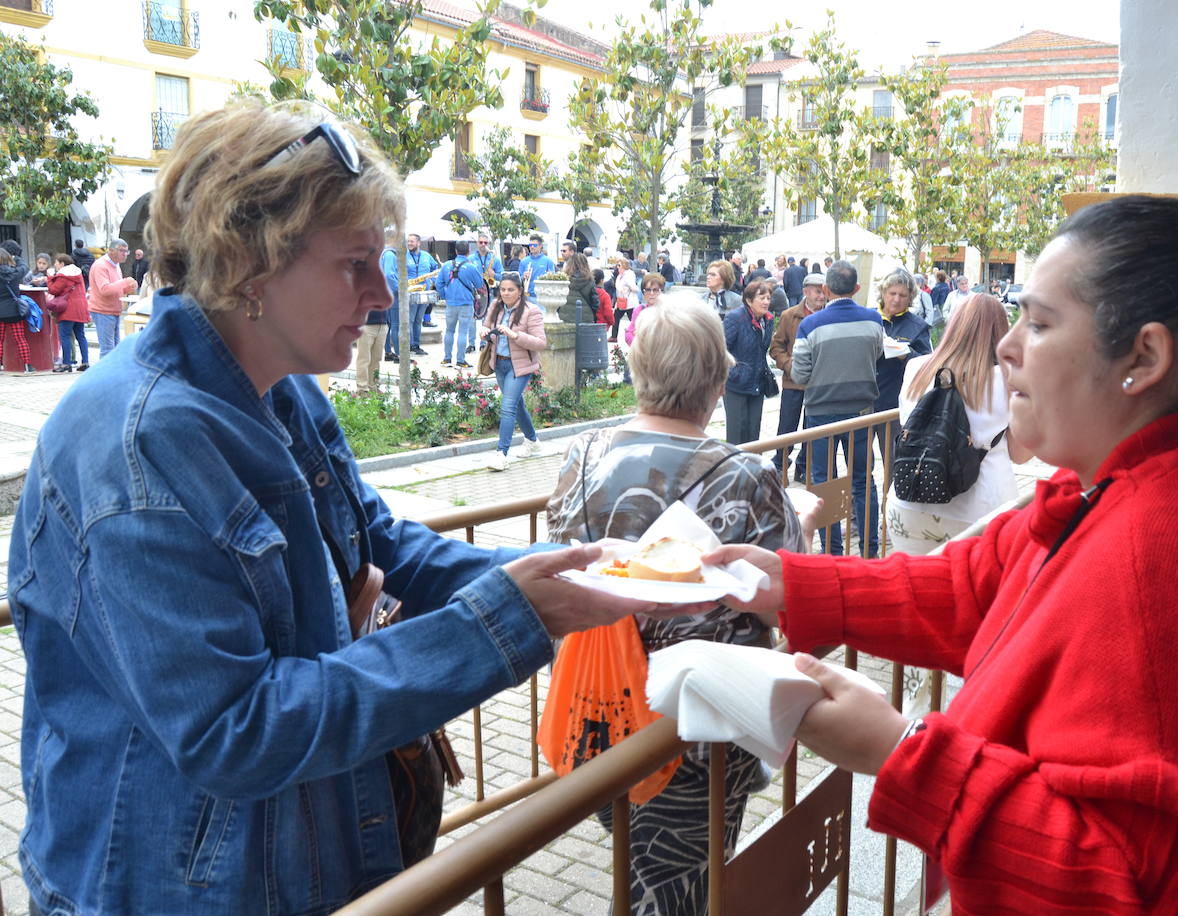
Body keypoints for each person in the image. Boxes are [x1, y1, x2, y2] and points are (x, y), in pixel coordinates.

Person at [8, 100, 701, 916]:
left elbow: (380, 540)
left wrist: (576, 578)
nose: (384, 292)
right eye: (355, 263)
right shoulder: (138, 448)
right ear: (248, 261)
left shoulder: (285, 385)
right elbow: (236, 729)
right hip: (181, 889)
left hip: (300, 856)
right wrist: (506, 620)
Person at [705, 194, 1178, 913]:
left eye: (1041, 322)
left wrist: (901, 753)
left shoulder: (1168, 562)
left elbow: (1127, 885)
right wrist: (785, 582)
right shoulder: (1132, 483)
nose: (1007, 345)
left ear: (1143, 357)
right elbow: (977, 586)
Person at [545, 298, 806, 916]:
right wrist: (804, 519)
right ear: (718, 381)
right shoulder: (744, 474)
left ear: (637, 370)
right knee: (685, 877)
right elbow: (784, 602)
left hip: (602, 703)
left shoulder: (582, 456)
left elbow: (565, 556)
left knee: (644, 861)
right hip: (696, 723)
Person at [886, 292, 1024, 555]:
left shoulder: (916, 367)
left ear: (954, 325)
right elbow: (1019, 455)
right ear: (1001, 331)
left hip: (907, 503)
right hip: (980, 514)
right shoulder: (1007, 378)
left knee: (916, 591)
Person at [791, 260, 884, 557]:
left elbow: (800, 374)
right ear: (857, 288)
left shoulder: (810, 324)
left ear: (826, 289)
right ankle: (870, 551)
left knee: (823, 482)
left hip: (821, 413)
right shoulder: (873, 320)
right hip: (861, 410)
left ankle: (831, 551)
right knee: (862, 480)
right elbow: (878, 354)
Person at [873, 268, 934, 472]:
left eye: (903, 295)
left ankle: (889, 502)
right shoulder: (869, 319)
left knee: (894, 465)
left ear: (910, 299)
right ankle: (864, 504)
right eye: (892, 293)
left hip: (894, 407)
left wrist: (905, 355)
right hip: (864, 403)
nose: (897, 299)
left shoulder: (918, 326)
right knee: (859, 467)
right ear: (883, 292)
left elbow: (928, 366)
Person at [485, 272, 546, 471]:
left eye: (511, 290)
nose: (506, 293)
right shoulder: (496, 306)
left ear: (520, 291)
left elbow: (540, 343)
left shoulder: (531, 311)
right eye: (502, 289)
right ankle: (532, 441)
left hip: (519, 366)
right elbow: (486, 326)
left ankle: (501, 453)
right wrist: (484, 332)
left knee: (508, 406)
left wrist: (515, 335)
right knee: (517, 405)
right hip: (500, 364)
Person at [770, 272, 827, 479]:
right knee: (787, 425)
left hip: (819, 384)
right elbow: (776, 347)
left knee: (811, 427)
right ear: (806, 292)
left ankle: (803, 466)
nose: (822, 296)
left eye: (825, 292)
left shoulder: (828, 315)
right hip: (793, 382)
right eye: (818, 292)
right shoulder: (789, 315)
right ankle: (779, 463)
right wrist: (788, 365)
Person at [723, 279, 775, 444]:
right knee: (737, 433)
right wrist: (735, 373)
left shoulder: (768, 320)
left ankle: (752, 469)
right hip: (736, 384)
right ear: (749, 300)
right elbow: (719, 350)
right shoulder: (735, 318)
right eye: (762, 298)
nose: (766, 302)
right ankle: (734, 469)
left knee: (753, 432)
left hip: (757, 384)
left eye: (768, 298)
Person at [87, 238, 137, 358]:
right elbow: (105, 289)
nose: (125, 254)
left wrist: (128, 289)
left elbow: (116, 288)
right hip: (103, 310)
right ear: (111, 251)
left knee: (115, 349)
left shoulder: (116, 265)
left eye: (126, 251)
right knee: (108, 349)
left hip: (112, 310)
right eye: (122, 251)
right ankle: (104, 376)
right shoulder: (101, 265)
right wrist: (125, 282)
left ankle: (112, 375)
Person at [438, 240, 483, 368]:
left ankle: (447, 359)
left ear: (456, 251)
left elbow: (439, 283)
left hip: (451, 303)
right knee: (463, 332)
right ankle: (460, 360)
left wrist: (445, 295)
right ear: (468, 251)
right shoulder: (471, 266)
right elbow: (479, 284)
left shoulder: (446, 265)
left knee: (449, 330)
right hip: (466, 303)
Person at [46, 252, 92, 372]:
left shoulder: (63, 275)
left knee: (65, 336)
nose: (55, 265)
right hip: (80, 308)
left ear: (62, 263)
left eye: (56, 263)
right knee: (81, 336)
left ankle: (66, 364)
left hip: (68, 309)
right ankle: (85, 362)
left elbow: (53, 290)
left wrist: (50, 277)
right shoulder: (78, 273)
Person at [353, 247, 389, 393]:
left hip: (382, 324)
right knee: (364, 360)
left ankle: (373, 386)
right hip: (366, 325)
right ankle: (362, 389)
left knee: (376, 359)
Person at [0, 248, 36, 374]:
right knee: (20, 339)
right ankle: (27, 366)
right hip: (14, 311)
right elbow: (25, 267)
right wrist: (16, 257)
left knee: (0, 340)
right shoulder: (15, 273)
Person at [466, 233, 503, 355]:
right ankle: (471, 344)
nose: (483, 245)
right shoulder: (471, 258)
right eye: (481, 242)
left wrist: (494, 275)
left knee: (487, 318)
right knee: (472, 317)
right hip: (474, 291)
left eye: (485, 243)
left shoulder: (494, 258)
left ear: (488, 244)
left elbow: (501, 275)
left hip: (489, 290)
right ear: (477, 243)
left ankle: (483, 343)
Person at [403, 233, 439, 351]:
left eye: (412, 241)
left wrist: (432, 280)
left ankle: (416, 345)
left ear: (418, 243)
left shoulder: (427, 256)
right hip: (410, 292)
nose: (409, 243)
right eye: (408, 241)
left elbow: (435, 267)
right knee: (411, 319)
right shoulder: (404, 255)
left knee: (418, 319)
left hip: (424, 292)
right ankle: (410, 345)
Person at [623, 271, 664, 347]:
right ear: (643, 292)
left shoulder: (667, 311)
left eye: (655, 290)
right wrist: (639, 344)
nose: (651, 293)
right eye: (648, 290)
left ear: (661, 291)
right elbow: (628, 334)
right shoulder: (639, 310)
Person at [560, 252, 599, 325]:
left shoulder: (564, 280)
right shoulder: (590, 280)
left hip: (565, 317)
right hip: (585, 318)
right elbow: (595, 303)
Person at [518, 234, 556, 304]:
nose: (532, 247)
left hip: (543, 297)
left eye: (534, 245)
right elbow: (518, 279)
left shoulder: (548, 261)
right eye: (530, 245)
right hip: (527, 296)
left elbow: (552, 279)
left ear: (540, 246)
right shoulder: (524, 261)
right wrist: (523, 276)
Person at [612, 256, 640, 341]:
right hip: (621, 301)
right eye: (617, 265)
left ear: (624, 265)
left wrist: (627, 288)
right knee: (615, 317)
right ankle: (614, 336)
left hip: (629, 302)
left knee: (633, 319)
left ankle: (638, 335)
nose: (618, 267)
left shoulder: (629, 275)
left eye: (619, 265)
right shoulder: (620, 275)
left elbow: (634, 288)